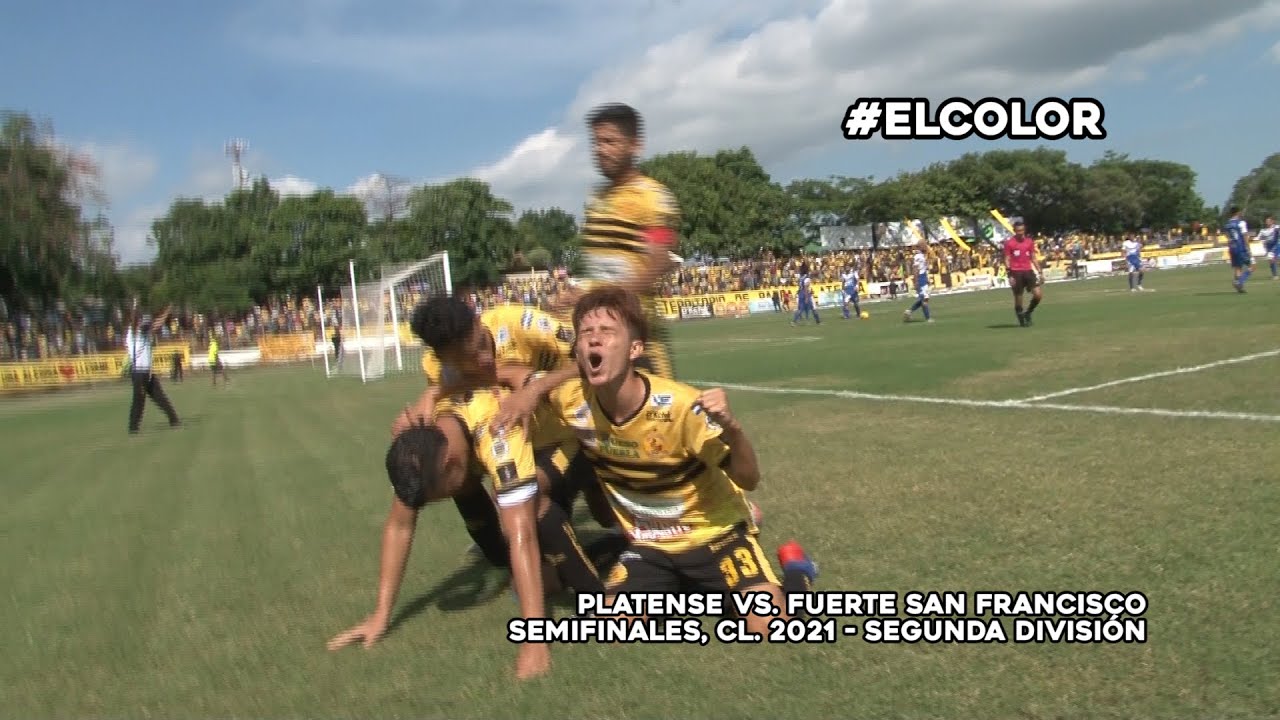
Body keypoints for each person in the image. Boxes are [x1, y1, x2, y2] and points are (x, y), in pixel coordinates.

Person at [544, 287, 817, 630]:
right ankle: (673, 579)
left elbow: (749, 479)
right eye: (586, 333)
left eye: (607, 331)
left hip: (715, 535)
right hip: (650, 545)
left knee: (769, 626)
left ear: (635, 349)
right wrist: (525, 395)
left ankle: (796, 569)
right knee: (613, 627)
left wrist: (733, 430)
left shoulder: (681, 406)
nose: (594, 340)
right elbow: (520, 382)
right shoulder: (571, 401)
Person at [554, 102, 680, 379]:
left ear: (635, 145)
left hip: (638, 345)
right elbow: (602, 270)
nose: (600, 149)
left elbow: (657, 264)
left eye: (609, 141)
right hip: (600, 338)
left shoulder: (652, 197)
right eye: (596, 142)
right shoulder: (597, 198)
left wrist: (598, 296)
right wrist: (577, 294)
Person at [126, 307, 181, 435]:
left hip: (148, 373)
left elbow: (157, 324)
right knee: (139, 400)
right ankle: (133, 428)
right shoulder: (132, 334)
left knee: (160, 397)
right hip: (138, 373)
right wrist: (134, 308)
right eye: (140, 323)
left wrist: (166, 312)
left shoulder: (146, 334)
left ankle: (174, 421)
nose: (144, 326)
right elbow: (134, 321)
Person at [1001, 219, 1043, 326]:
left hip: (1028, 271)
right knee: (1018, 298)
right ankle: (1021, 319)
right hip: (1016, 273)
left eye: (1022, 230)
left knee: (1038, 295)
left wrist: (1040, 271)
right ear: (1014, 231)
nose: (1020, 233)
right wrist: (1009, 274)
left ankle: (1028, 313)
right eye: (1018, 231)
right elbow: (1006, 259)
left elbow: (1033, 257)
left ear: (1024, 230)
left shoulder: (1029, 242)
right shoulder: (1009, 243)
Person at [902, 240, 934, 323]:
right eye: (924, 245)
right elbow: (916, 269)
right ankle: (928, 318)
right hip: (920, 279)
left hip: (923, 279)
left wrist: (927, 279)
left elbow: (922, 269)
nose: (926, 246)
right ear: (920, 246)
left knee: (925, 298)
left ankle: (909, 311)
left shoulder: (922, 256)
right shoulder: (918, 256)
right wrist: (916, 282)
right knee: (924, 300)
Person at [1224, 207, 1253, 293]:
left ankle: (1239, 288)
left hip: (1232, 248)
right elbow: (1245, 237)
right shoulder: (1241, 223)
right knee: (1252, 266)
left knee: (1238, 268)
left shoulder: (1227, 224)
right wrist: (1248, 249)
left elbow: (1227, 236)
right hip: (1241, 248)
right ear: (1237, 213)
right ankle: (1239, 282)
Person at [1256, 215, 1277, 280]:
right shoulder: (1263, 230)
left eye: (1268, 221)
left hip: (1276, 245)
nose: (1267, 222)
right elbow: (1258, 238)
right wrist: (1261, 240)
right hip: (1268, 247)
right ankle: (1275, 275)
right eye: (1266, 221)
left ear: (1272, 221)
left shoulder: (1276, 228)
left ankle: (1275, 275)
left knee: (1272, 259)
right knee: (1271, 260)